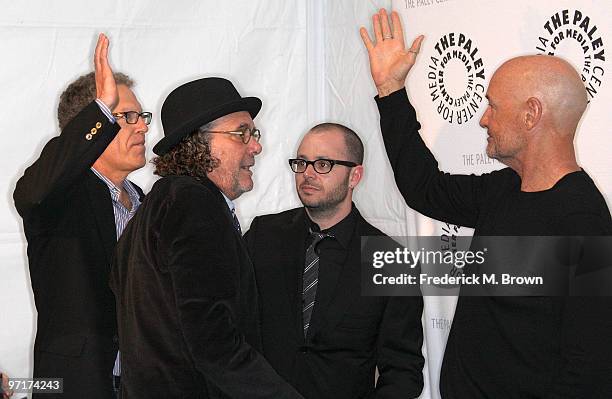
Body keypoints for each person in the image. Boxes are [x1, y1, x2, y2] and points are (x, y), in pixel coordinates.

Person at [360, 9, 612, 399]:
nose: (482, 119)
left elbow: (588, 369)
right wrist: (391, 91)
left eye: (493, 105)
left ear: (531, 114)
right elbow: (424, 188)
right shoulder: (503, 190)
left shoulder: (582, 220)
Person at [110, 77, 303, 399]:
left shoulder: (157, 205)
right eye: (242, 133)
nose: (256, 146)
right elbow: (213, 342)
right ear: (197, 142)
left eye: (253, 134)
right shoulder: (193, 203)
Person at [13, 34, 150, 399]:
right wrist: (102, 108)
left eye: (142, 116)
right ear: (92, 127)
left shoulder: (149, 205)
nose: (143, 126)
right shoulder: (61, 197)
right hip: (76, 385)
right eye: (128, 117)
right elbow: (34, 192)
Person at [244, 123, 424, 399]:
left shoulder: (391, 261)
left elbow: (402, 371)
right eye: (301, 163)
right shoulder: (263, 236)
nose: (308, 174)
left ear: (355, 176)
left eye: (323, 164)